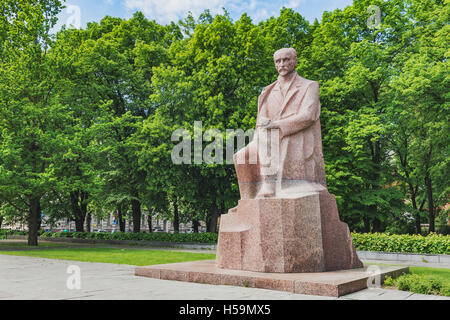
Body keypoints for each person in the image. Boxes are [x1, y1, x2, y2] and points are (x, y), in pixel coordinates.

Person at [234, 48, 327, 199]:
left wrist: (278, 125)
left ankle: (269, 183)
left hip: (295, 136)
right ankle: (249, 201)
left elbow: (308, 115)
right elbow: (261, 121)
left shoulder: (309, 86)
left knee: (269, 134)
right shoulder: (267, 91)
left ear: (295, 61)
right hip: (266, 137)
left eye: (286, 60)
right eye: (278, 61)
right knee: (242, 155)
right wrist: (265, 126)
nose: (282, 64)